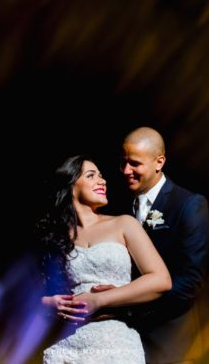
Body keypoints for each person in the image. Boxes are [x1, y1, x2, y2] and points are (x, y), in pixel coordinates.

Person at [34, 154, 172, 364]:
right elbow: (20, 296)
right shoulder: (53, 238)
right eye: (91, 176)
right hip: (65, 345)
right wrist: (49, 303)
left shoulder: (124, 224)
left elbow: (161, 280)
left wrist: (99, 299)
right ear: (71, 186)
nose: (102, 181)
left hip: (115, 342)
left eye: (101, 176)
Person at [94, 126, 209, 364]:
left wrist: (124, 304)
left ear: (159, 162)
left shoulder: (188, 205)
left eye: (135, 164)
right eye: (123, 162)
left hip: (169, 343)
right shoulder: (119, 205)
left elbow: (189, 283)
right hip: (121, 341)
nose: (126, 170)